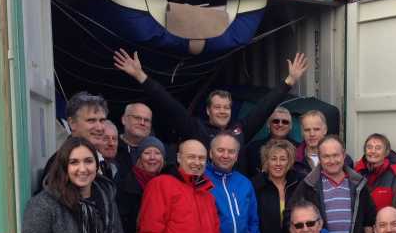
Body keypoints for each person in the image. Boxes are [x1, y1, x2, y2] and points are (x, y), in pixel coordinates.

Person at [113, 48, 308, 153]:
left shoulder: (240, 130)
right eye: (217, 107)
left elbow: (264, 107)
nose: (223, 111)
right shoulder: (196, 129)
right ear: (208, 110)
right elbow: (169, 105)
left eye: (226, 108)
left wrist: (289, 81)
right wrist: (141, 76)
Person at [288, 135, 377, 233]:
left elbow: (369, 221)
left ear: (344, 155)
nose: (332, 161)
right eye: (326, 156)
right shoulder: (308, 185)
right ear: (319, 158)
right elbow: (290, 218)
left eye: (336, 155)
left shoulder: (359, 184)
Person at [41, 92, 114, 188]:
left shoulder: (102, 161)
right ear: (72, 123)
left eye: (102, 120)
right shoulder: (58, 163)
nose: (99, 128)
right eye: (91, 120)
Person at [292, 110, 353, 178]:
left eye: (316, 129)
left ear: (325, 130)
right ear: (302, 132)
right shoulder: (293, 159)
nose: (312, 134)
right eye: (307, 130)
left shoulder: (343, 159)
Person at [243, 106, 300, 177]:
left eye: (285, 122)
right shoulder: (253, 148)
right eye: (276, 121)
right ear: (268, 124)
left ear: (290, 126)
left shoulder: (299, 149)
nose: (280, 124)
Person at [354, 133, 396, 210]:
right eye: (369, 147)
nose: (373, 151)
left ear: (386, 152)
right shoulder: (356, 172)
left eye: (378, 148)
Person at [115, 102, 155, 180]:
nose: (142, 123)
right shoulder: (110, 146)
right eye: (137, 118)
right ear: (124, 119)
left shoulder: (159, 153)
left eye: (147, 120)